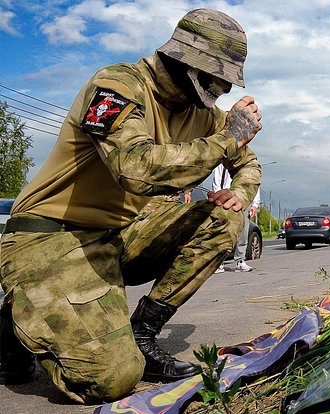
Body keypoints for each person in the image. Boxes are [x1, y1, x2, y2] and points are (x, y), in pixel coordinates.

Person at [0, 8, 262, 404]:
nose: (225, 89)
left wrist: (240, 192)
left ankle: (141, 333)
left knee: (225, 215)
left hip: (119, 236)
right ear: (190, 63)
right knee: (110, 379)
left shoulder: (204, 115)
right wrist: (228, 139)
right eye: (220, 77)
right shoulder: (117, 86)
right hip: (50, 238)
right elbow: (136, 170)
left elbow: (249, 162)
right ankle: (15, 324)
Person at [212, 164, 260, 272]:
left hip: (243, 201)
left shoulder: (248, 163)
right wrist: (218, 199)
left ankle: (240, 261)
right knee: (224, 232)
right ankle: (219, 263)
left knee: (243, 232)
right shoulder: (223, 162)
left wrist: (255, 204)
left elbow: (254, 184)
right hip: (226, 201)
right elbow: (217, 180)